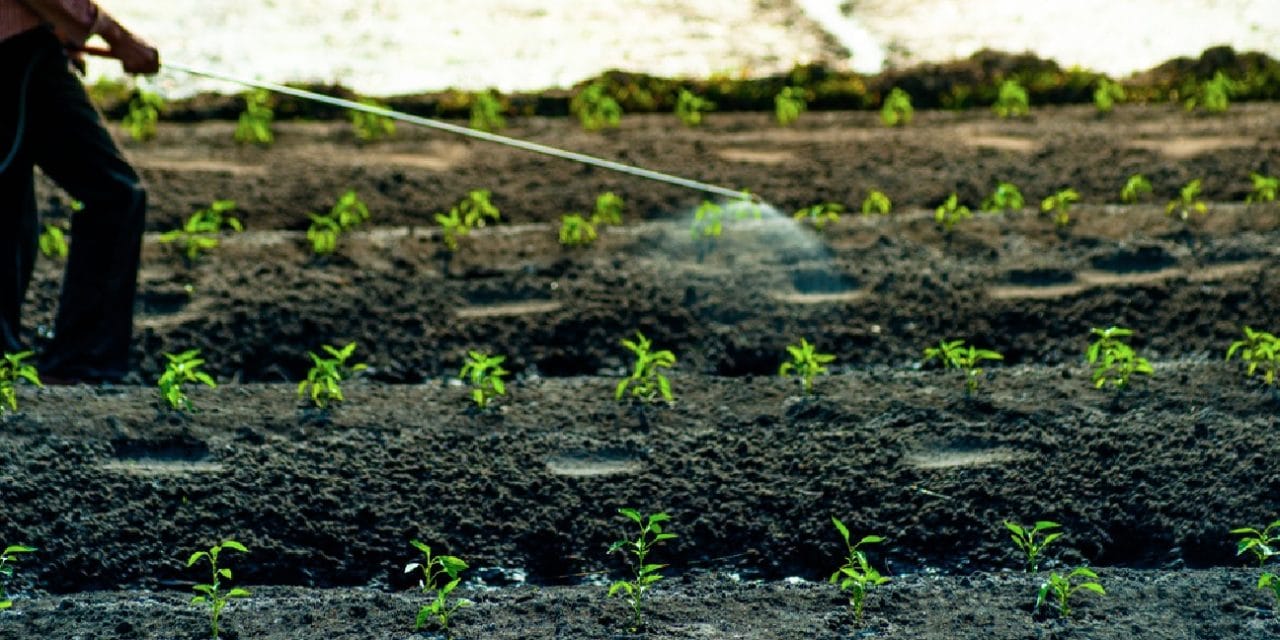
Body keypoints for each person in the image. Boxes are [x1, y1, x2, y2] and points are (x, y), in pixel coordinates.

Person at [0, 0, 159, 383]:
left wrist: (57, 28)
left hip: (24, 44)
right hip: (15, 54)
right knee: (115, 192)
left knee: (12, 205)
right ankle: (83, 361)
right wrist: (114, 36)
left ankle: (13, 360)